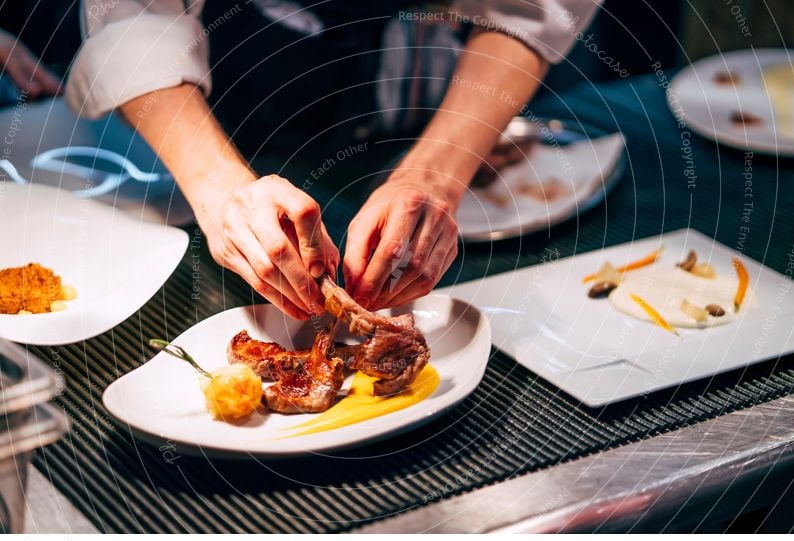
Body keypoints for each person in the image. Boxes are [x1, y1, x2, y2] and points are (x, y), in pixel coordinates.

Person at [66, 1, 599, 319]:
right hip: (246, 97)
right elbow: (131, 17)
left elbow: (528, 9)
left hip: (440, 81)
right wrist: (222, 191)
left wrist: (436, 174)